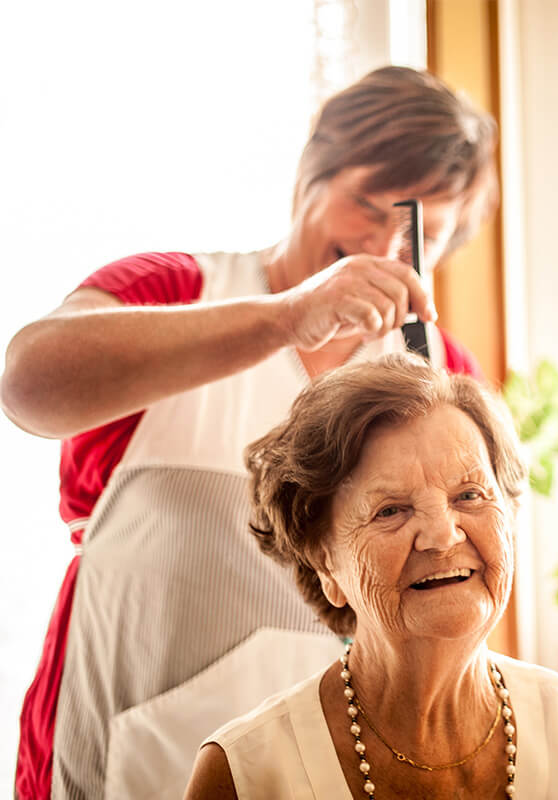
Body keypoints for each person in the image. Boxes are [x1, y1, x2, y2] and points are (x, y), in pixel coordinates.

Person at [1, 66, 497, 800]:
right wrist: (286, 318)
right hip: (124, 744)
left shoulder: (438, 371)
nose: (386, 245)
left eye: (428, 229)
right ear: (309, 175)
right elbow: (28, 385)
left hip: (324, 765)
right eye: (368, 203)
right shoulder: (174, 292)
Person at [183, 353, 558, 800]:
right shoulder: (243, 776)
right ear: (324, 562)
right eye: (391, 510)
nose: (442, 537)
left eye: (469, 496)